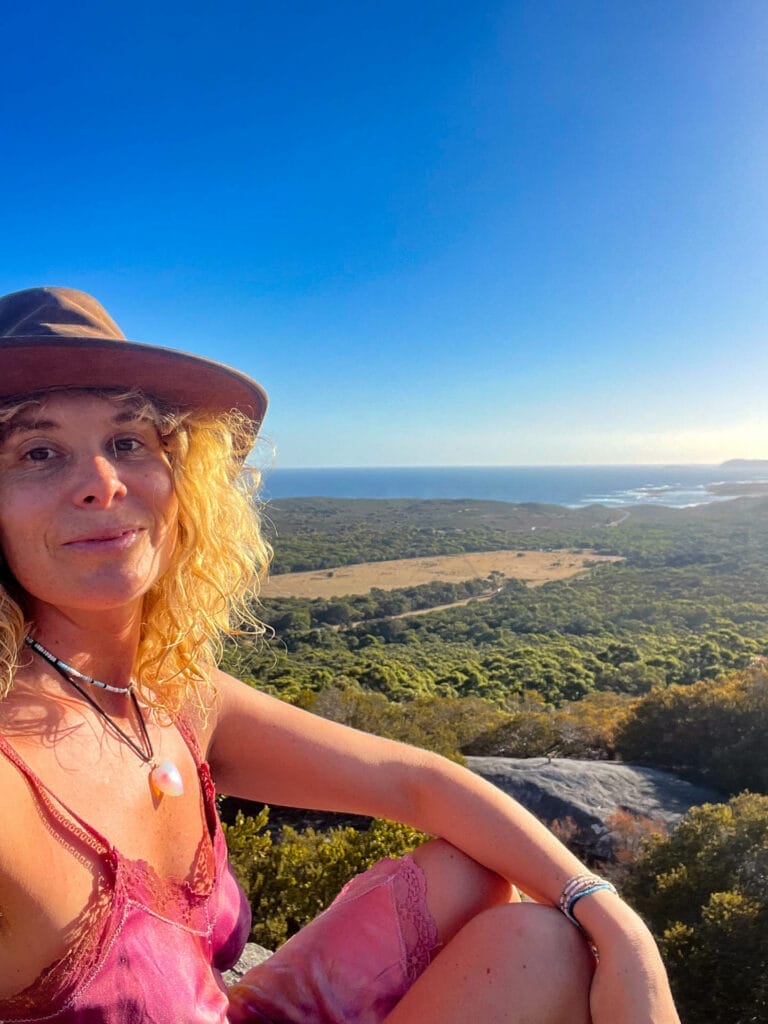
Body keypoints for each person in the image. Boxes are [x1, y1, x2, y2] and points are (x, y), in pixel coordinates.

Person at [0, 286, 680, 1024]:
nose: (103, 484)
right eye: (38, 452)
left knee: (525, 915)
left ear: (178, 477)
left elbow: (418, 784)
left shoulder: (171, 693)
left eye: (129, 442)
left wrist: (617, 923)